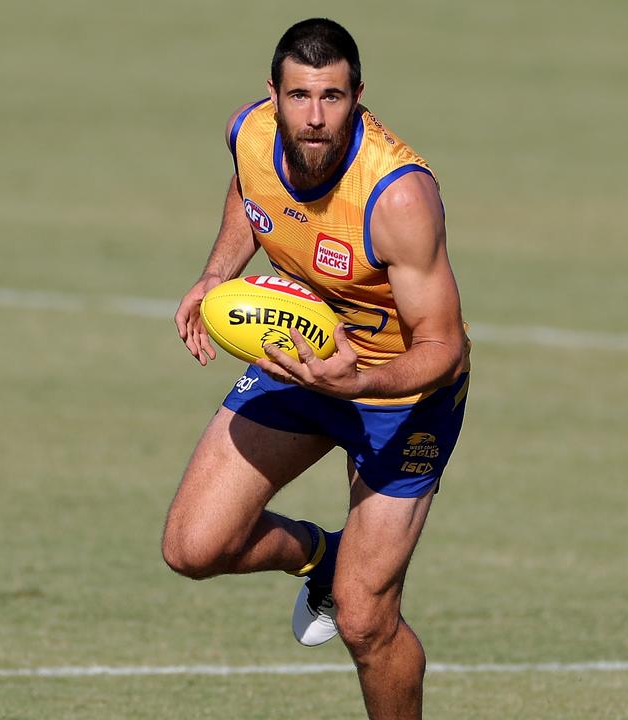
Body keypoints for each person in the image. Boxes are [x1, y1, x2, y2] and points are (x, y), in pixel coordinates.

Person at [164, 18, 469, 719]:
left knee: (366, 620)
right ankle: (321, 558)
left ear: (358, 96)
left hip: (402, 391)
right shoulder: (249, 134)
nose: (314, 117)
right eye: (299, 96)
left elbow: (443, 347)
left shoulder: (397, 196)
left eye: (332, 97)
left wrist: (358, 383)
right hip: (300, 356)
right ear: (271, 95)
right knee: (192, 546)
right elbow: (252, 192)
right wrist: (216, 276)